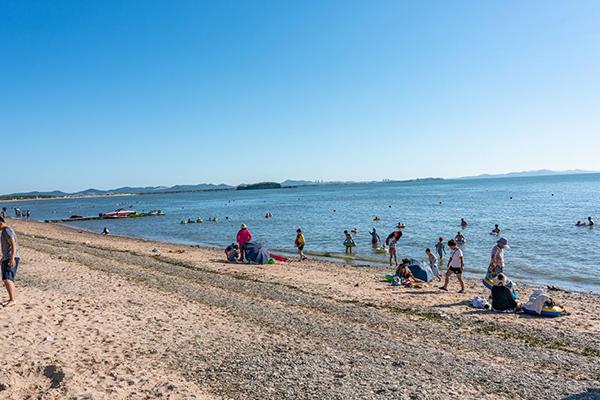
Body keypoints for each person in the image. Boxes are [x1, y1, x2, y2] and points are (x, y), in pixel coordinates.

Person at [1, 216, 20, 306]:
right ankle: (11, 299)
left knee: (8, 278)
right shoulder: (4, 231)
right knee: (6, 279)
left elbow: (13, 243)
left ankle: (13, 300)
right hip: (6, 257)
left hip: (11, 257)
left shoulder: (7, 230)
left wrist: (12, 257)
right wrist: (3, 257)